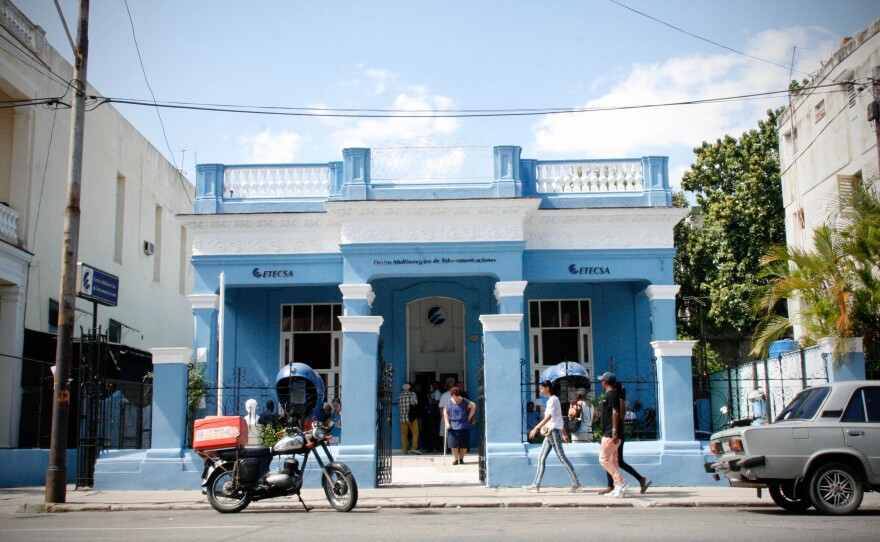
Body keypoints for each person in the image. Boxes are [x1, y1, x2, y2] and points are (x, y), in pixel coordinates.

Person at [523, 380, 581, 493]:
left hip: (553, 432)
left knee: (561, 457)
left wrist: (536, 428)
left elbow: (549, 417)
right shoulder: (554, 400)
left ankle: (576, 482)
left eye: (542, 388)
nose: (540, 391)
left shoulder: (552, 400)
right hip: (551, 432)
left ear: (547, 388)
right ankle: (536, 485)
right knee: (541, 458)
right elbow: (558, 418)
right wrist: (564, 434)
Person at [598, 381, 651, 494]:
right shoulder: (619, 400)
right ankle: (615, 484)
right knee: (613, 459)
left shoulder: (619, 401)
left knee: (614, 460)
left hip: (617, 434)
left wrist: (614, 432)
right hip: (617, 433)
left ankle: (618, 484)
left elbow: (618, 417)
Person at [597, 372, 627, 497]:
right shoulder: (611, 394)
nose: (601, 383)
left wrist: (614, 432)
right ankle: (618, 488)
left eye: (602, 381)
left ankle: (621, 481)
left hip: (611, 433)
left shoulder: (612, 394)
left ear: (605, 382)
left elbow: (615, 413)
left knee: (603, 459)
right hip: (610, 432)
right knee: (613, 460)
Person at [443, 386, 476, 464]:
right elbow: (445, 412)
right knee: (453, 445)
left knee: (464, 445)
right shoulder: (448, 402)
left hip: (464, 425)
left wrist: (470, 416)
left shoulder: (464, 401)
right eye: (455, 396)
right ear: (452, 395)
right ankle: (455, 459)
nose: (457, 397)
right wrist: (447, 423)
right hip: (453, 425)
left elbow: (473, 406)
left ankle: (461, 459)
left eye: (458, 396)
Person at [398, 382, 421, 455]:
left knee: (404, 434)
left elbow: (399, 406)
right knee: (415, 432)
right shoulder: (413, 394)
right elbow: (416, 404)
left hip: (403, 418)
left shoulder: (400, 396)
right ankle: (414, 448)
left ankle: (404, 450)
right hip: (411, 417)